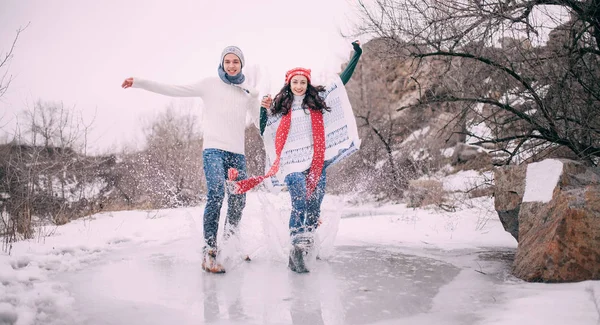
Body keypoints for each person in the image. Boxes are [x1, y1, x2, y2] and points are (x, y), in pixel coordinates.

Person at [121, 46, 260, 274]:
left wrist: (265, 109)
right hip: (214, 150)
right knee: (216, 193)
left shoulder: (248, 92)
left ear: (241, 65)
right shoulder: (209, 84)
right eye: (228, 61)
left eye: (236, 62)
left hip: (237, 153)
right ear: (222, 63)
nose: (232, 65)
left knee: (238, 201)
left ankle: (231, 245)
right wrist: (139, 81)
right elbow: (173, 89)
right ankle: (209, 252)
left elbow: (259, 122)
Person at [227, 41, 362, 273]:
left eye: (302, 82)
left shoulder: (316, 105)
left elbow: (341, 82)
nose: (298, 86)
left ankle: (307, 244)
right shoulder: (281, 108)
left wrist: (356, 55)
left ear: (307, 84)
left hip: (315, 163)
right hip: (291, 165)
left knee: (314, 205)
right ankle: (296, 245)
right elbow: (264, 129)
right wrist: (262, 109)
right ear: (288, 85)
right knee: (299, 197)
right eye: (294, 82)